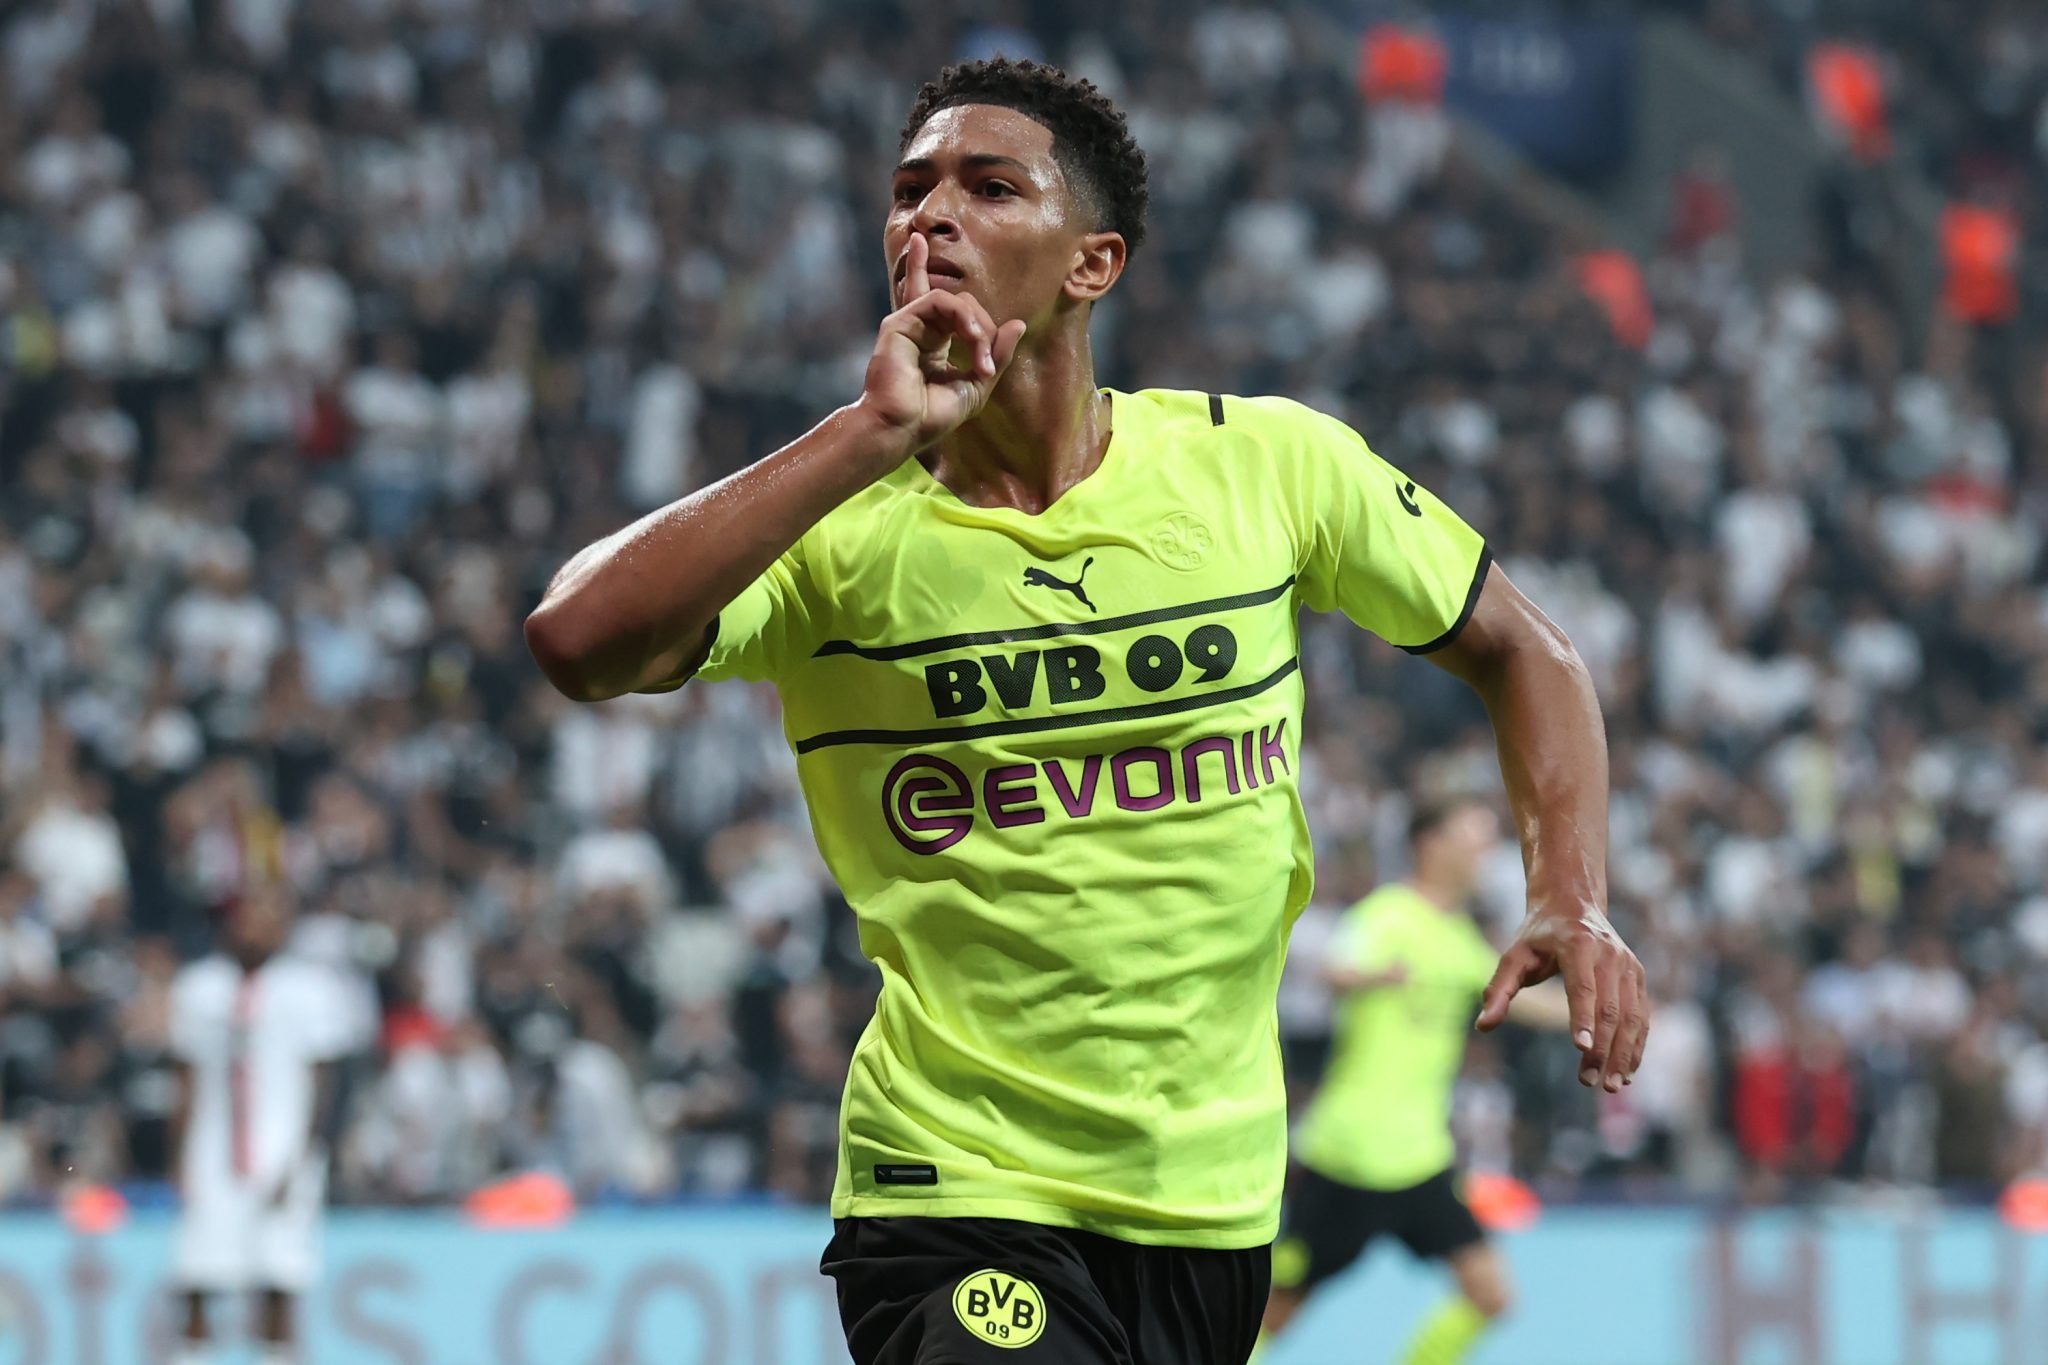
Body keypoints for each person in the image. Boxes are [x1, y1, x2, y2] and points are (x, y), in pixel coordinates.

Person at [526, 57, 1648, 1365]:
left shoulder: (1266, 466)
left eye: (989, 187)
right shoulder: (833, 532)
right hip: (955, 1186)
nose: (930, 215)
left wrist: (1571, 895)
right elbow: (576, 640)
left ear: (1092, 264)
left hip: (1211, 1206)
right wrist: (866, 435)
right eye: (909, 190)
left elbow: (1527, 650)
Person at [1259, 794, 1574, 1365]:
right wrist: (1366, 977)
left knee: (1491, 1297)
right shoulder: (1388, 915)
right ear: (1429, 843)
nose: (1485, 851)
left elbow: (1524, 1001)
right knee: (1272, 1315)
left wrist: (1605, 1012)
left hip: (1419, 1159)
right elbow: (1336, 966)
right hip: (1348, 1155)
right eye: (1473, 836)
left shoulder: (1457, 938)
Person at [168, 888, 353, 1365]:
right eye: (246, 919)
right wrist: (179, 1158)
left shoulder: (311, 989)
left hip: (282, 1147)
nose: (253, 930)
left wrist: (307, 1156)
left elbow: (324, 1080)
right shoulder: (199, 987)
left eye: (265, 919)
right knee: (199, 1274)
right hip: (213, 1149)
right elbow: (185, 1078)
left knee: (280, 1278)